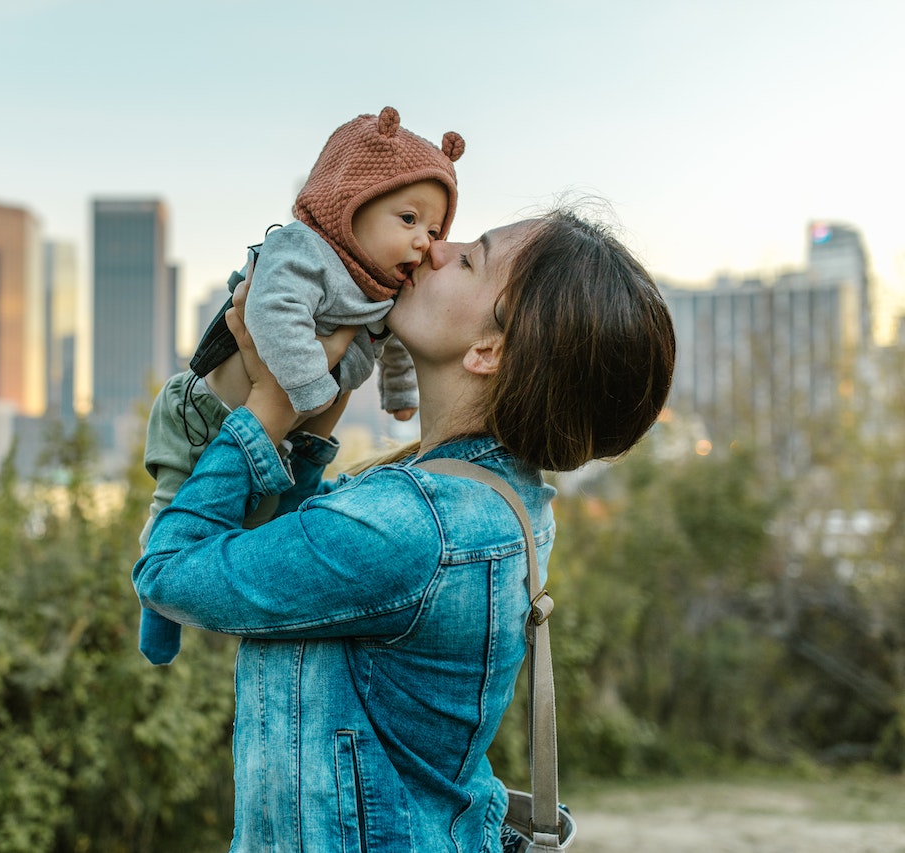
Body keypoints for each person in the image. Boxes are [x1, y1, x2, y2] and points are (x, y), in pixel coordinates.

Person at [133, 207, 676, 852]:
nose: (440, 249)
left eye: (471, 260)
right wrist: (311, 406)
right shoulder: (492, 500)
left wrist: (267, 409)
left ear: (487, 350)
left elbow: (167, 572)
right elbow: (286, 548)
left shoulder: (413, 526)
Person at [137, 106, 465, 664]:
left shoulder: (382, 293)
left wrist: (400, 396)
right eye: (407, 219)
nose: (422, 243)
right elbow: (273, 314)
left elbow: (395, 350)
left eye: (433, 230)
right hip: (207, 415)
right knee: (175, 509)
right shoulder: (302, 249)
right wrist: (315, 389)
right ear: (349, 204)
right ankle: (158, 613)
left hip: (285, 432)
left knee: (269, 524)